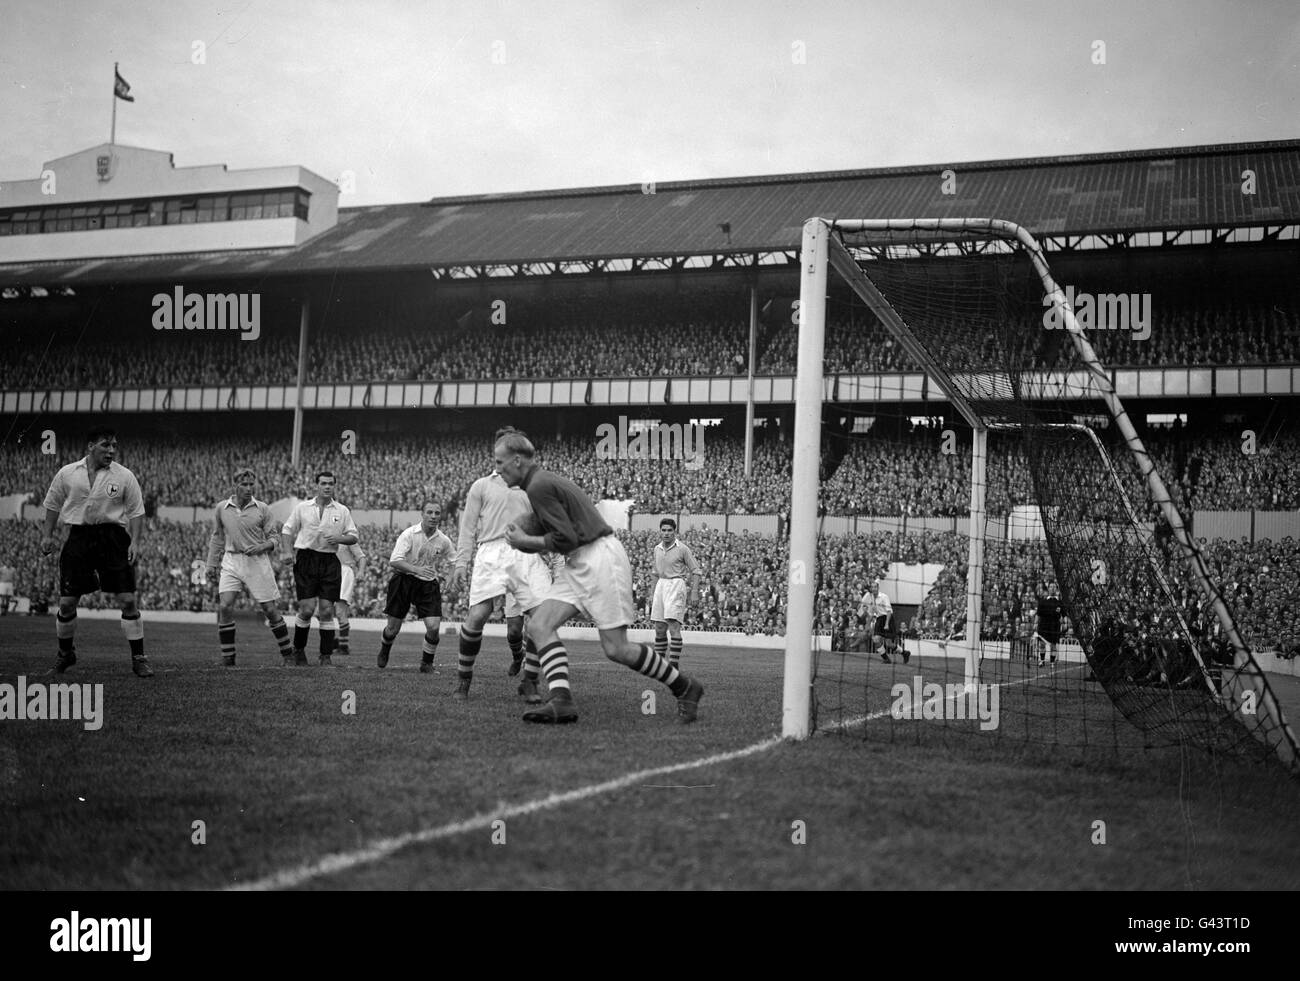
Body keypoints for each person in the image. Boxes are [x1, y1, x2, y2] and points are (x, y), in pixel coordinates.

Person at [497, 430, 704, 724]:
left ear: (517, 460)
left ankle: (685, 686)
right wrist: (528, 531)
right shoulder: (542, 482)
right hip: (582, 558)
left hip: (599, 557)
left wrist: (524, 541)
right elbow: (564, 535)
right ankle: (561, 701)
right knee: (540, 625)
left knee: (616, 648)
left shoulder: (538, 486)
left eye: (500, 461)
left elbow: (565, 538)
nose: (497, 469)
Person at [450, 429, 554, 703]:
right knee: (477, 616)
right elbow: (468, 527)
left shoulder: (533, 487)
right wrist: (461, 563)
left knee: (542, 618)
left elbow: (548, 524)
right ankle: (464, 681)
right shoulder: (481, 486)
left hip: (525, 551)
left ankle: (530, 681)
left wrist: (553, 555)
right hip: (492, 551)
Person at [39, 425, 152, 676]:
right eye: (105, 445)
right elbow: (52, 504)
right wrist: (47, 535)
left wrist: (135, 541)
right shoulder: (67, 473)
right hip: (78, 537)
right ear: (91, 447)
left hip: (113, 538)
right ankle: (65, 655)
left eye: (114, 445)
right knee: (67, 603)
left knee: (128, 600)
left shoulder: (124, 476)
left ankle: (139, 658)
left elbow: (136, 512)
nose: (111, 450)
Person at [205, 467, 294, 666]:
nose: (248, 488)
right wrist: (211, 564)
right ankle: (228, 657)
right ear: (234, 485)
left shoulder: (262, 508)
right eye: (244, 484)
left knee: (270, 610)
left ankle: (288, 654)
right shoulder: (222, 508)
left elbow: (274, 538)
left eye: (251, 484)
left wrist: (262, 546)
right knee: (225, 606)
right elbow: (217, 537)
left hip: (257, 561)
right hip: (231, 560)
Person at [280, 471, 358, 666]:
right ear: (317, 485)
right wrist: (287, 551)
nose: (327, 486)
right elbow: (287, 530)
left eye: (330, 483)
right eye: (323, 483)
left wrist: (339, 539)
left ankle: (325, 656)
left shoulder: (342, 510)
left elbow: (353, 536)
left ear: (334, 486)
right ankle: (298, 650)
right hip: (306, 559)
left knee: (326, 610)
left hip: (330, 561)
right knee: (306, 610)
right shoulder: (303, 507)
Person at [377, 501, 454, 672]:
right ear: (422, 514)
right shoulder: (409, 534)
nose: (433, 516)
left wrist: (449, 577)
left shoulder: (444, 540)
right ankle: (385, 648)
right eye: (430, 512)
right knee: (392, 628)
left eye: (437, 513)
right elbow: (394, 560)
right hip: (404, 580)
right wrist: (416, 569)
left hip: (427, 584)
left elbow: (452, 561)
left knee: (434, 627)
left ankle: (426, 663)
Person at [651, 518, 702, 668]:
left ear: (675, 532)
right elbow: (654, 572)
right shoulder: (657, 549)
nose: (666, 533)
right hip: (661, 584)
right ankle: (659, 665)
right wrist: (652, 593)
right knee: (659, 627)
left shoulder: (683, 549)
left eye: (669, 530)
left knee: (673, 625)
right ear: (660, 531)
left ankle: (673, 665)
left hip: (676, 584)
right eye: (664, 530)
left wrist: (694, 592)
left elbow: (696, 570)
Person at [859, 576, 904, 664]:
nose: (874, 588)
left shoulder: (884, 597)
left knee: (889, 644)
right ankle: (886, 659)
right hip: (879, 619)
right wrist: (867, 625)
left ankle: (904, 653)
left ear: (878, 588)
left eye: (875, 587)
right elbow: (872, 612)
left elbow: (889, 611)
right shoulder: (872, 598)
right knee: (876, 639)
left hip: (887, 618)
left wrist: (887, 624)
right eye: (872, 587)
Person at [335, 540, 367, 655]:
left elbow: (361, 557)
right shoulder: (326, 533)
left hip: (344, 572)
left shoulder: (348, 538)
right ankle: (334, 641)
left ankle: (343, 646)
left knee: (340, 611)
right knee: (322, 611)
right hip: (328, 572)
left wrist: (361, 571)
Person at [1034, 585, 1065, 667]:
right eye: (1051, 587)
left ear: (1056, 589)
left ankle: (1052, 662)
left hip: (1054, 626)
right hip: (1043, 626)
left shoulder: (1060, 602)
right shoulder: (1043, 601)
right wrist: (1035, 623)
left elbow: (1064, 615)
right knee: (1041, 644)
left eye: (1054, 587)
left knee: (1053, 645)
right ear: (1048, 589)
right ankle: (1042, 661)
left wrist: (1064, 623)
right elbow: (1038, 614)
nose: (1052, 588)